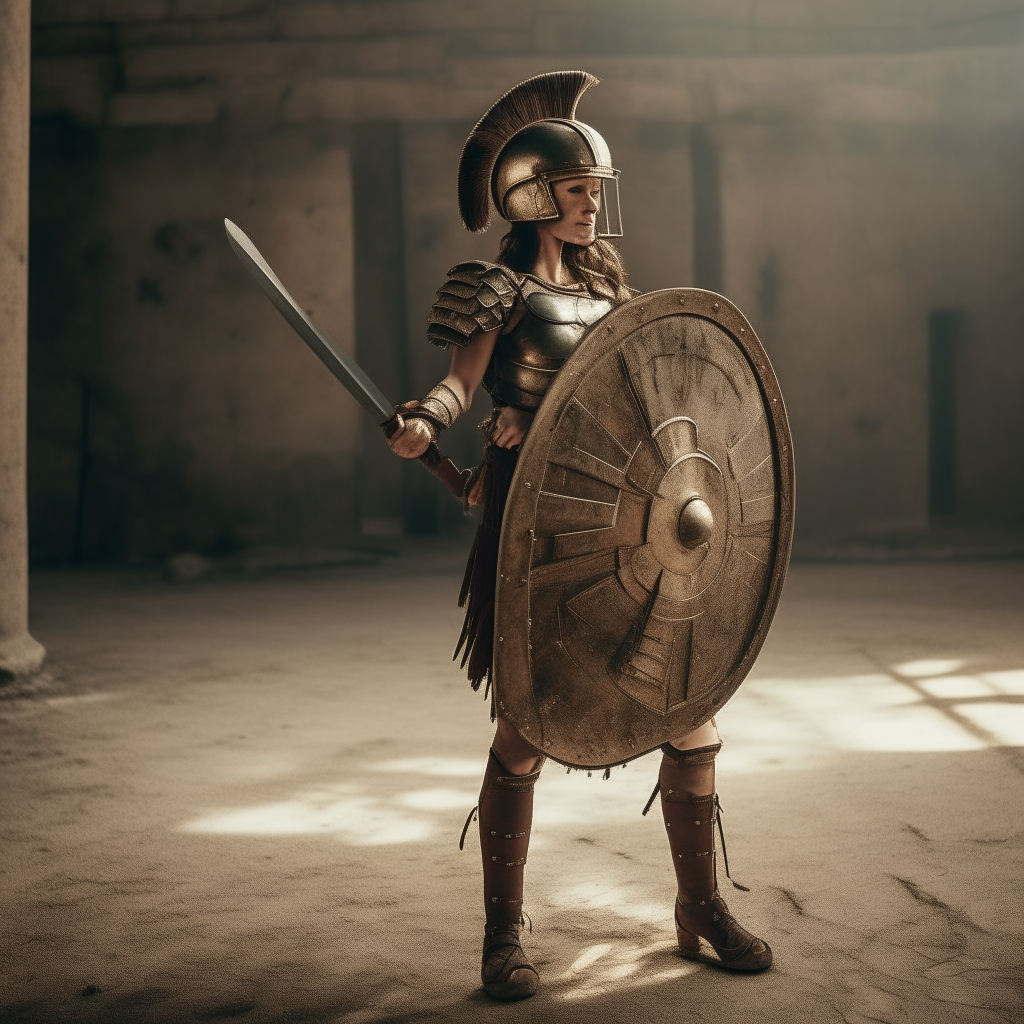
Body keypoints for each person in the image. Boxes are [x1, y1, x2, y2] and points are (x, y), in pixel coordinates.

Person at [385, 71, 772, 1001]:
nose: (592, 204)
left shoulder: (609, 293)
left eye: (596, 189)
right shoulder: (496, 289)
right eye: (576, 189)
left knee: (691, 712)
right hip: (540, 525)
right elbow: (461, 386)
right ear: (530, 195)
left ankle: (698, 908)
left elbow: (637, 403)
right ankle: (501, 935)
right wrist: (428, 423)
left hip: (636, 524)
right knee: (525, 727)